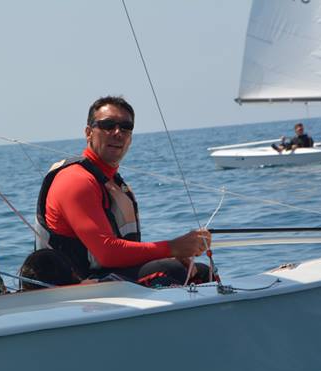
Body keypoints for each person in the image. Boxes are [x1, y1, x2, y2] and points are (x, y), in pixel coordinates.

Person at [35, 96, 211, 287]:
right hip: (73, 290)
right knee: (173, 270)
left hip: (107, 279)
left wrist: (175, 252)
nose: (118, 133)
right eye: (108, 125)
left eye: (126, 127)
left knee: (202, 272)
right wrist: (173, 248)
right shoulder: (76, 180)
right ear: (88, 133)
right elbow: (108, 253)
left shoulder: (113, 182)